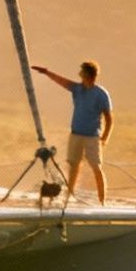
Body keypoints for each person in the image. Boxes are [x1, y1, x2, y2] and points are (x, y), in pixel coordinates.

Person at [32, 60, 113, 203]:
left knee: (96, 168)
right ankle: (68, 197)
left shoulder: (101, 94)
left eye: (82, 73)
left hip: (92, 137)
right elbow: (62, 81)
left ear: (89, 75)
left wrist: (105, 137)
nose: (80, 75)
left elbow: (109, 118)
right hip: (76, 135)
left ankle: (102, 200)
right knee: (74, 166)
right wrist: (47, 72)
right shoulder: (77, 89)